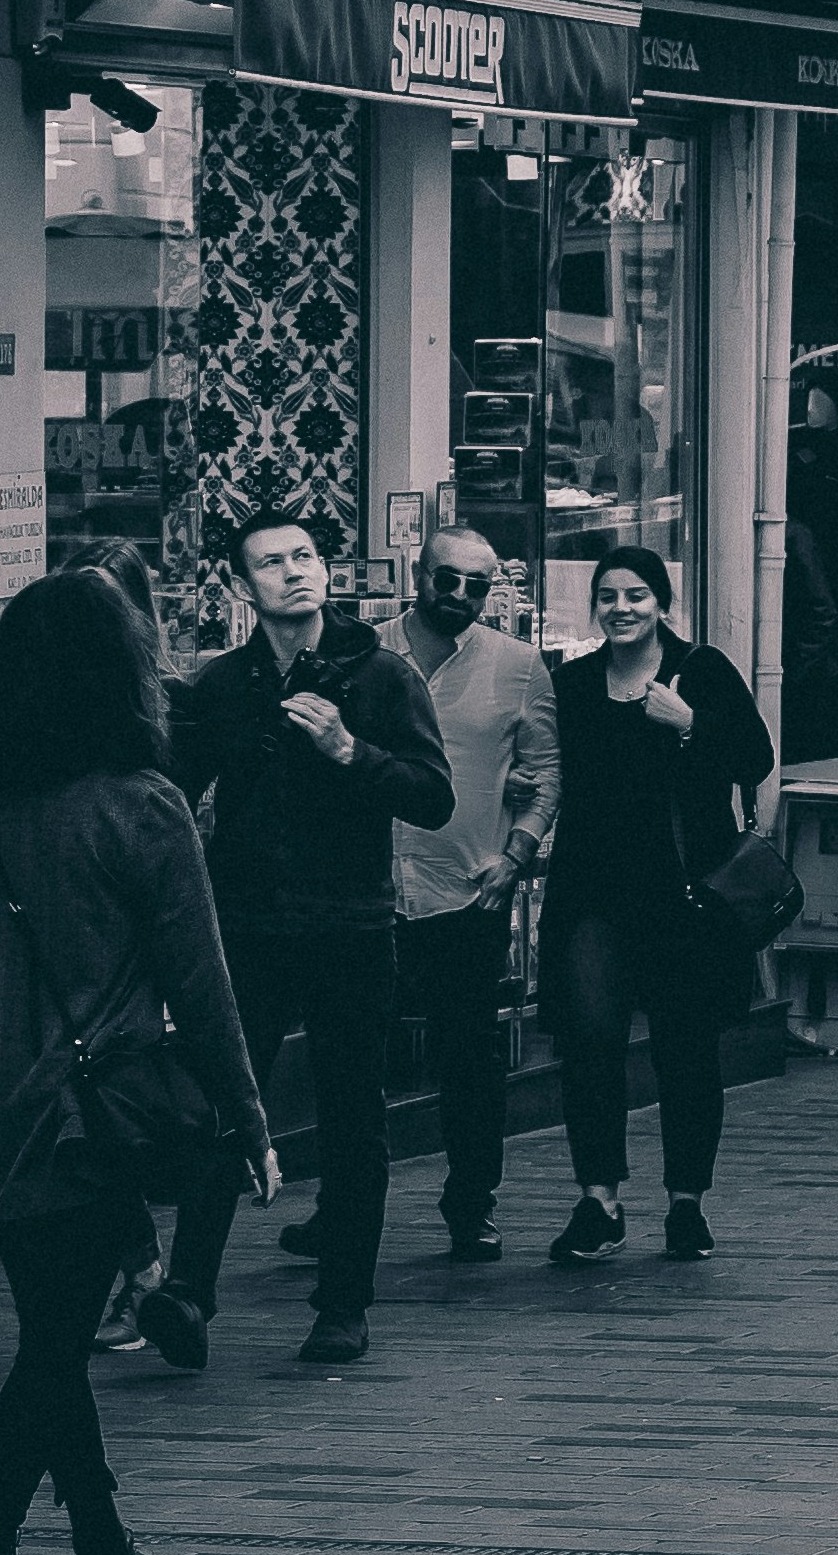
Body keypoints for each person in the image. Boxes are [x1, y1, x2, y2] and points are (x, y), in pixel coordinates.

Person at [0, 576, 267, 1555]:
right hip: (96, 1109)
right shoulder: (143, 803)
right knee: (55, 1339)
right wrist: (246, 1116)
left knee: (50, 1319)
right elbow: (201, 985)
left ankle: (101, 1543)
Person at [167, 508, 454, 1365]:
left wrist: (347, 752)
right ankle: (188, 1292)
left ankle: (343, 1305)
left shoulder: (383, 675)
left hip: (350, 927)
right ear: (241, 586)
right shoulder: (222, 685)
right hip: (247, 928)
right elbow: (174, 798)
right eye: (271, 563)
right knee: (225, 1106)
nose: (294, 572)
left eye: (303, 557)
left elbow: (433, 798)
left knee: (352, 1118)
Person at [539, 548, 774, 1265]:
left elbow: (754, 761)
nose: (621, 608)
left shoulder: (700, 673)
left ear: (663, 602)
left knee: (686, 1049)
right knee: (590, 1042)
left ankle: (686, 1204)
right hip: (593, 893)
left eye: (636, 595)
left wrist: (689, 723)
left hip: (682, 895)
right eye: (607, 596)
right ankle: (599, 1199)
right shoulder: (574, 684)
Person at [386, 528, 556, 1268]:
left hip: (468, 891)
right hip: (372, 893)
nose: (458, 596)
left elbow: (544, 770)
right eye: (445, 579)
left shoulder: (519, 667)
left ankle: (471, 1204)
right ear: (417, 575)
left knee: (471, 1063)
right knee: (353, 1060)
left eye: (476, 585)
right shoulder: (366, 653)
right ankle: (337, 1209)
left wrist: (516, 856)